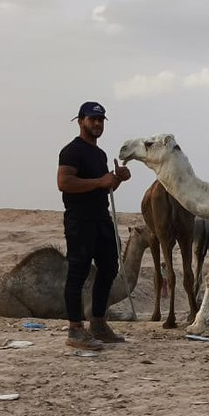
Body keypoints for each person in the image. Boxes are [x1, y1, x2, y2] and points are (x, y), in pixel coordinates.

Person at [57, 101, 131, 350]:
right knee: (77, 272)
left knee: (109, 267)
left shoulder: (99, 155)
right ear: (81, 121)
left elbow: (104, 188)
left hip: (101, 217)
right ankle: (75, 330)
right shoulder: (71, 151)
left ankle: (98, 322)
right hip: (80, 219)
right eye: (92, 119)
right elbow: (64, 183)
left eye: (100, 120)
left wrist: (116, 179)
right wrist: (100, 181)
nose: (97, 124)